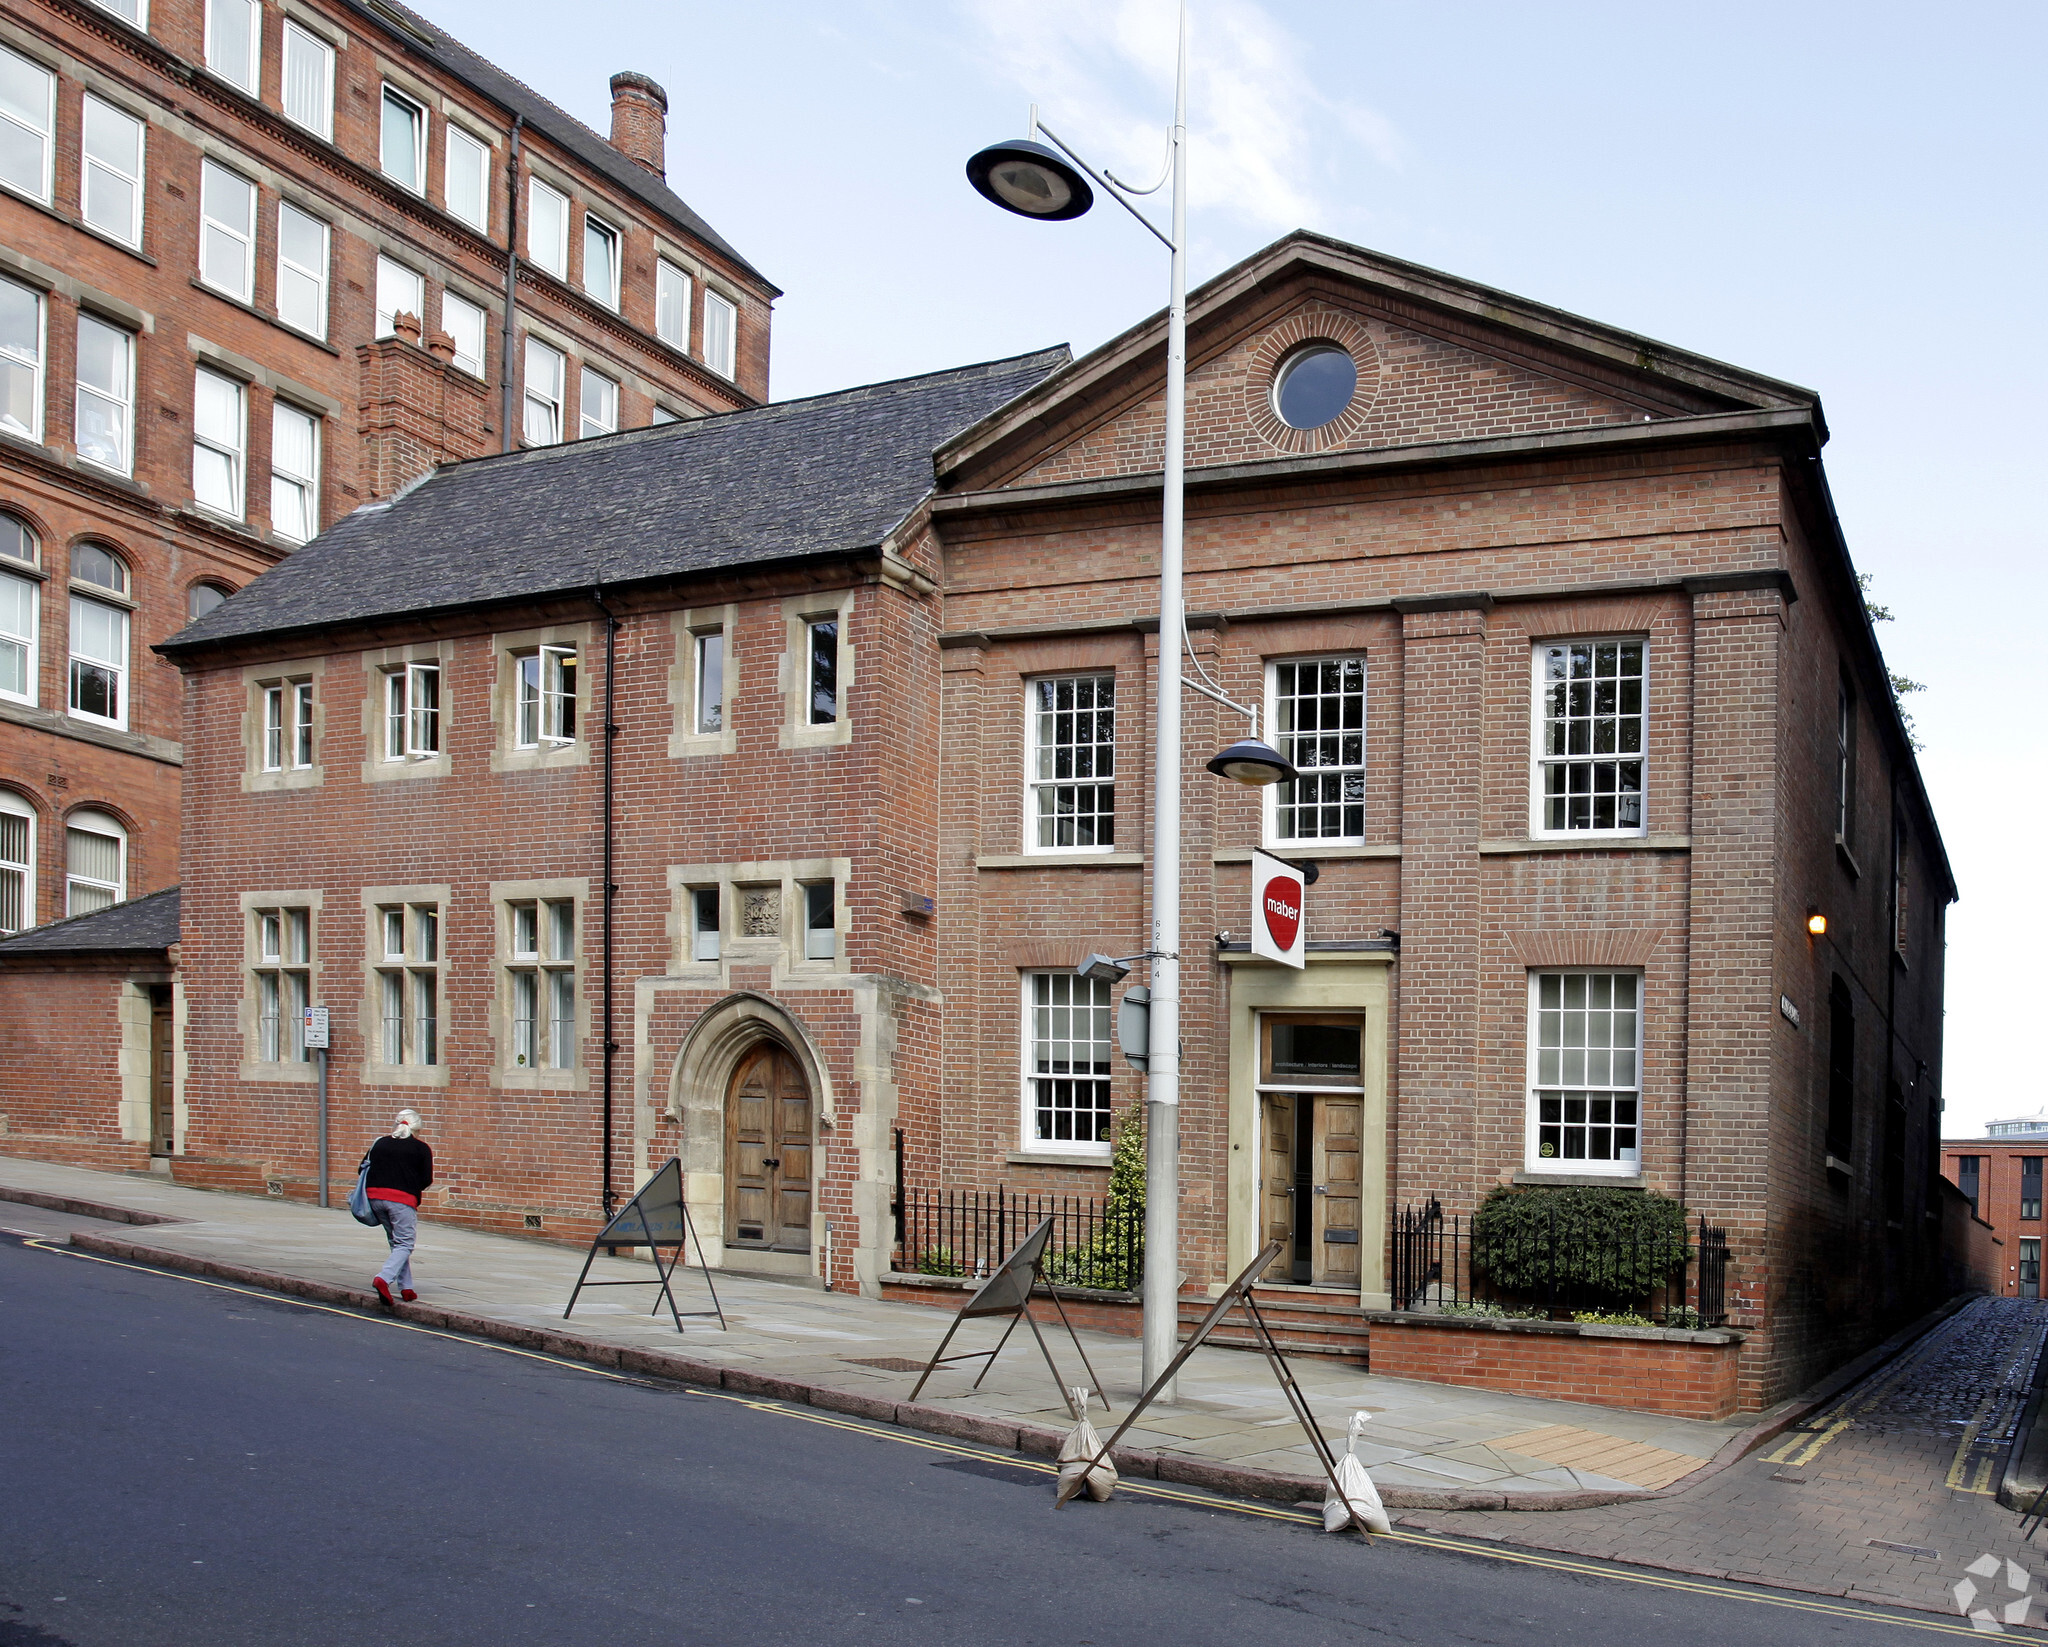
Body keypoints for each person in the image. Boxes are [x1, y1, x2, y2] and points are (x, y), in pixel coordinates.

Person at [364, 1108, 434, 1306]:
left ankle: (406, 1287)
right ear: (415, 1130)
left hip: (375, 1199)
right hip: (402, 1201)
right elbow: (426, 1179)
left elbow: (363, 1167)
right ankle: (383, 1279)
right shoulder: (421, 1148)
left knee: (397, 1244)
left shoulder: (380, 1143)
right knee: (405, 1244)